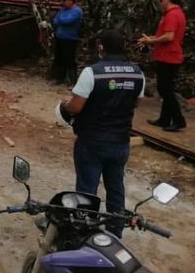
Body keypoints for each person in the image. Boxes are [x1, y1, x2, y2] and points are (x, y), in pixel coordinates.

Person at [61, 29, 145, 237]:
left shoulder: (92, 72)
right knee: (115, 187)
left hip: (92, 141)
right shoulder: (137, 73)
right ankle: (115, 232)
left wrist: (65, 104)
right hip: (121, 141)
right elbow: (136, 103)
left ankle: (83, 231)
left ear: (101, 48)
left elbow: (76, 107)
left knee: (87, 189)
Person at [137, 0, 187, 132]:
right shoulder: (176, 13)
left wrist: (151, 41)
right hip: (168, 56)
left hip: (169, 57)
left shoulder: (172, 15)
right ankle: (165, 118)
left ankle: (178, 119)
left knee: (166, 90)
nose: (161, 2)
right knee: (166, 88)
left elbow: (169, 37)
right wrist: (149, 39)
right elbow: (165, 35)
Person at [51, 0, 83, 85]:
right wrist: (59, 19)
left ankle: (73, 81)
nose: (63, 2)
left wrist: (59, 19)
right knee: (59, 58)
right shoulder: (63, 10)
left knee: (70, 60)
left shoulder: (77, 11)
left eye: (65, 0)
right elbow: (55, 21)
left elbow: (67, 21)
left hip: (70, 39)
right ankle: (59, 78)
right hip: (60, 37)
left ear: (71, 1)